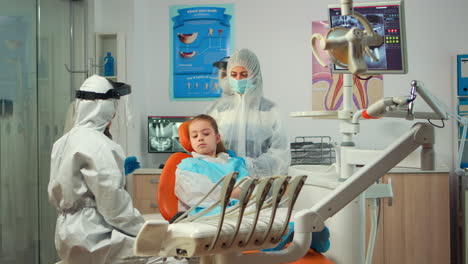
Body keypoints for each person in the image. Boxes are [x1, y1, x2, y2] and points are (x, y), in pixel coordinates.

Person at [48, 75, 146, 264]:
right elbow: (114, 208)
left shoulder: (62, 142)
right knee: (167, 256)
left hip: (66, 236)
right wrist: (145, 231)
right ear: (107, 108)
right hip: (94, 236)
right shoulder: (101, 145)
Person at [207, 48, 291, 178]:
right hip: (224, 182)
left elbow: (280, 154)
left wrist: (250, 166)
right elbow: (208, 146)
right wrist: (226, 165)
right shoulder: (219, 110)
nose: (238, 79)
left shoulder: (270, 111)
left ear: (255, 75)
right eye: (234, 75)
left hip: (260, 185)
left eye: (244, 74)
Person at [175, 114, 250, 216]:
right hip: (206, 216)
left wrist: (238, 194)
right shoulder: (188, 166)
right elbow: (198, 195)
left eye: (205, 134)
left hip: (240, 211)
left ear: (217, 138)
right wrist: (232, 194)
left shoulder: (235, 163)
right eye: (195, 136)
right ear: (191, 142)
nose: (200, 138)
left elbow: (248, 187)